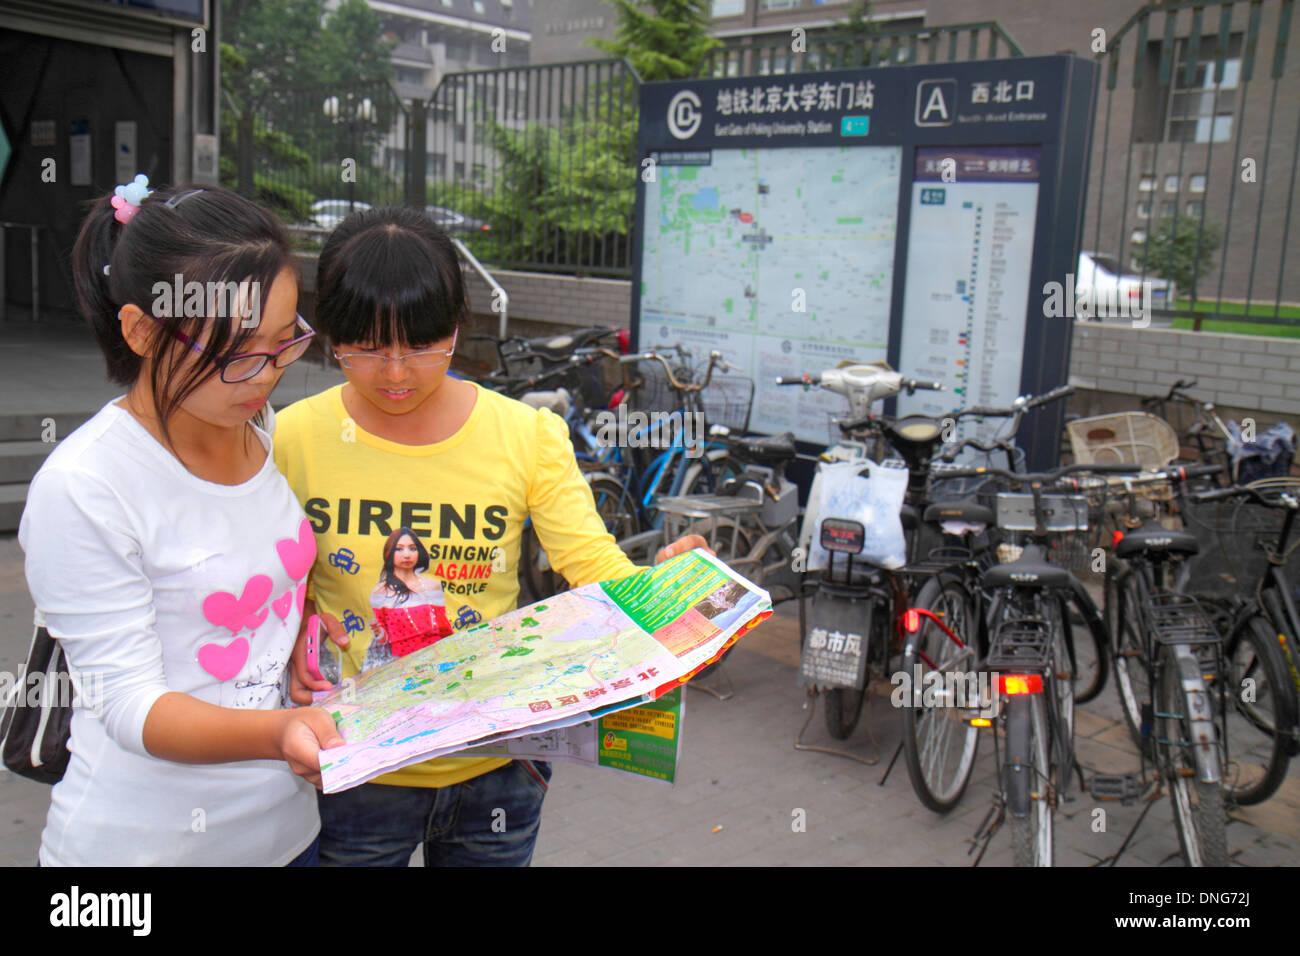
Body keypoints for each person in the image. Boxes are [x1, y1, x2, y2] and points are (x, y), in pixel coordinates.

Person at [276, 205, 706, 866]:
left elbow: (589, 560)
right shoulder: (291, 437)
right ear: (329, 332)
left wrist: (667, 588)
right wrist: (297, 650)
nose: (394, 372)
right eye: (365, 346)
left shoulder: (524, 434)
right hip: (356, 764)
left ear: (456, 325)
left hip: (495, 769)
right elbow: (273, 585)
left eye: (421, 343)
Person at [18, 179, 342, 866]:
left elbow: (257, 585)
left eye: (285, 342)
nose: (266, 374)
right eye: (235, 352)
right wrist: (281, 728)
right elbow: (131, 705)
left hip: (288, 838)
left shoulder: (260, 427)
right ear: (140, 330)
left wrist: (296, 646)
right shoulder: (87, 487)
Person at [363, 527, 453, 669]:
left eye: (412, 548)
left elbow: (444, 629)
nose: (407, 555)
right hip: (400, 668)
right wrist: (378, 632)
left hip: (436, 662)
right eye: (399, 549)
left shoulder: (432, 586)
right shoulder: (380, 592)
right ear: (389, 553)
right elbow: (384, 642)